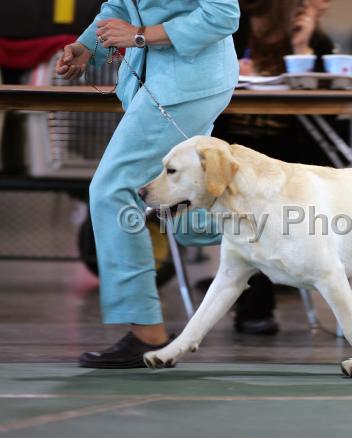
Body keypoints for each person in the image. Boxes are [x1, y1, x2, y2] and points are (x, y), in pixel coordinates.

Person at [55, 0, 240, 367]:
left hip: (186, 83)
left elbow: (223, 14)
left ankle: (146, 333)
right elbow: (119, 6)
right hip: (159, 83)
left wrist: (140, 36)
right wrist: (87, 46)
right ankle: (288, 228)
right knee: (189, 216)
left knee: (112, 190)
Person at [210, 0, 352, 334]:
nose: (322, 5)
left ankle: (306, 229)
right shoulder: (232, 26)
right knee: (259, 198)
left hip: (288, 146)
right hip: (234, 143)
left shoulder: (317, 40)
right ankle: (258, 300)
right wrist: (231, 71)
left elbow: (329, 112)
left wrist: (302, 47)